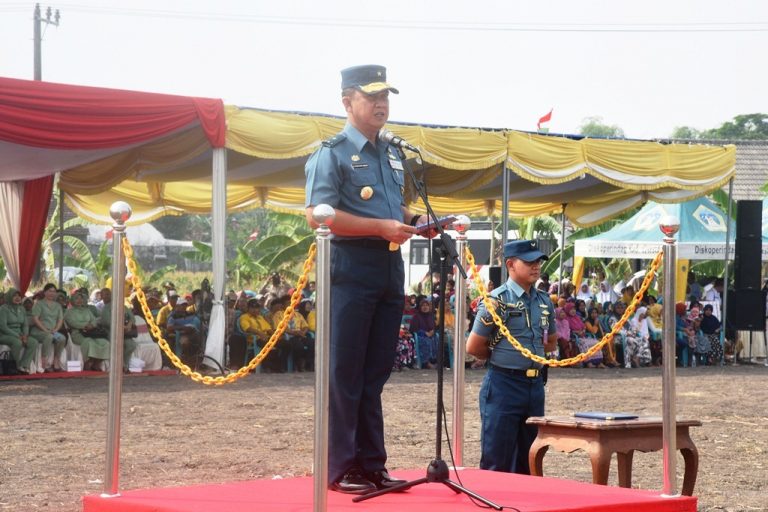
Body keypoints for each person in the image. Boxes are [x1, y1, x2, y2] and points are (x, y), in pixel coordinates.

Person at [304, 64, 431, 494]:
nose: (381, 104)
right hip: (350, 269)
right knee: (345, 373)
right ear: (347, 102)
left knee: (375, 372)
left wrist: (417, 219)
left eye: (386, 96)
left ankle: (372, 464)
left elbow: (394, 209)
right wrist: (379, 228)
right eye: (372, 96)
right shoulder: (332, 153)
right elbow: (316, 215)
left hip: (388, 268)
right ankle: (341, 467)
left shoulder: (392, 154)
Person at [466, 240, 558, 474]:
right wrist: (503, 356)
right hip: (503, 384)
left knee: (531, 458)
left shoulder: (544, 300)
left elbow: (550, 342)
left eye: (537, 261)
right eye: (529, 262)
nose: (536, 266)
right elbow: (474, 346)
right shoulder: (496, 300)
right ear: (510, 264)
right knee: (497, 458)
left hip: (535, 385)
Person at [29, 283, 67, 372]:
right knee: (48, 337)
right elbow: (35, 319)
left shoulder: (57, 306)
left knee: (62, 338)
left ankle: (56, 360)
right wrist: (45, 330)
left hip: (52, 331)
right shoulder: (39, 304)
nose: (52, 293)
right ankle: (44, 362)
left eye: (54, 291)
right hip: (39, 331)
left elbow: (60, 320)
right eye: (50, 291)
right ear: (45, 292)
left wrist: (56, 330)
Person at [0, 288, 39, 374]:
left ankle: (23, 366)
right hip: (4, 334)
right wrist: (18, 336)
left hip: (20, 334)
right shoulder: (3, 309)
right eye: (14, 295)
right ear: (9, 297)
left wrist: (25, 335)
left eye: (19, 296)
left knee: (33, 342)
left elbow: (25, 325)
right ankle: (14, 366)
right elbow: (3, 327)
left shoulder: (22, 309)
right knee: (17, 342)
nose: (17, 298)